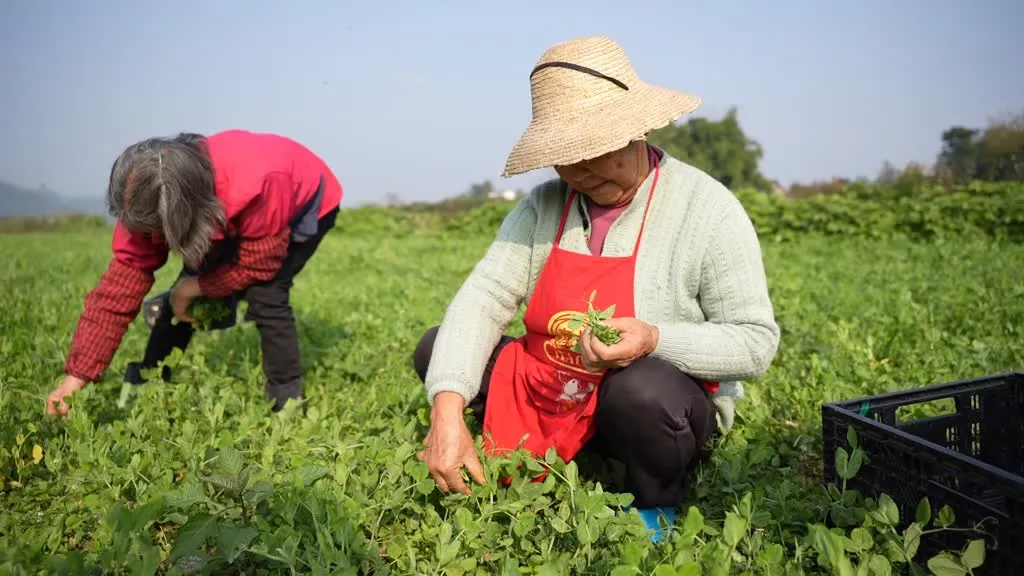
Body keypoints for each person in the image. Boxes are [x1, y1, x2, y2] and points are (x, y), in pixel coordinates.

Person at [412, 36, 779, 543]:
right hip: (558, 386)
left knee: (640, 390)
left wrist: (652, 339)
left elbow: (756, 343)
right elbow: (483, 298)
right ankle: (542, 449)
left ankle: (655, 503)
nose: (582, 170)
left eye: (596, 150)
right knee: (439, 350)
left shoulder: (707, 209)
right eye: (566, 156)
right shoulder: (543, 206)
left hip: (653, 407)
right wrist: (446, 412)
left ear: (639, 130)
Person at [45, 129, 343, 417]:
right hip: (220, 205)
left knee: (267, 294)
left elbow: (258, 264)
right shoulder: (142, 196)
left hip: (300, 202)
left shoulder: (258, 181)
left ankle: (286, 402)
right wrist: (76, 377)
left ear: (184, 211)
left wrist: (195, 287)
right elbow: (120, 288)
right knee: (183, 294)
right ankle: (149, 386)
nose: (151, 237)